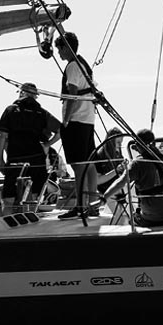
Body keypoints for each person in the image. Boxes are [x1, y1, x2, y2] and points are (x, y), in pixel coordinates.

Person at [0, 82, 62, 210]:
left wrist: (0, 159)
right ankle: (29, 219)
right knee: (33, 197)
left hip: (15, 157)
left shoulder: (11, 110)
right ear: (35, 96)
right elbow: (61, 131)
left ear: (21, 93)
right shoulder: (42, 113)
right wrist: (47, 144)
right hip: (37, 158)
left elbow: (2, 136)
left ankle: (8, 220)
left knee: (8, 198)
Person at [100, 129, 163, 226]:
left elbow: (121, 182)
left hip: (152, 218)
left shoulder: (137, 163)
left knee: (131, 220)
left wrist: (104, 198)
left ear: (137, 145)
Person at [56, 32, 100, 218]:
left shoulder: (73, 66)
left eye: (59, 49)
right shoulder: (83, 64)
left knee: (78, 165)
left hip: (76, 120)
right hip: (88, 120)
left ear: (66, 48)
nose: (58, 53)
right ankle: (93, 204)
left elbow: (72, 93)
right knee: (89, 164)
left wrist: (65, 120)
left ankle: (80, 206)